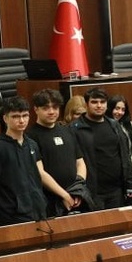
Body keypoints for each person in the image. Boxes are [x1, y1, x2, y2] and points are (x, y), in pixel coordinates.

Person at [0, 96, 53, 225]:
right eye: (15, 116)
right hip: (11, 218)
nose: (21, 120)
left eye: (25, 115)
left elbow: (37, 177)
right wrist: (2, 212)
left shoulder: (32, 144)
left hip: (37, 213)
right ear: (5, 118)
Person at [70, 88, 132, 209]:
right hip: (92, 192)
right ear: (87, 104)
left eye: (102, 102)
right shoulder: (75, 128)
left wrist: (130, 183)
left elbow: (125, 156)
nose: (99, 105)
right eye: (94, 102)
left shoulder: (114, 125)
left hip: (117, 191)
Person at [27, 88, 87, 216]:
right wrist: (64, 195)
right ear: (36, 109)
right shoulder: (30, 136)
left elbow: (80, 162)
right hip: (49, 201)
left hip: (75, 197)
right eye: (46, 108)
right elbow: (40, 172)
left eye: (55, 107)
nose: (51, 112)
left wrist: (78, 191)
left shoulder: (67, 130)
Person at [108, 94, 132, 176]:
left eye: (123, 109)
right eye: (117, 108)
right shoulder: (104, 126)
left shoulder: (130, 126)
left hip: (130, 172)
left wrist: (131, 168)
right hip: (111, 173)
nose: (120, 112)